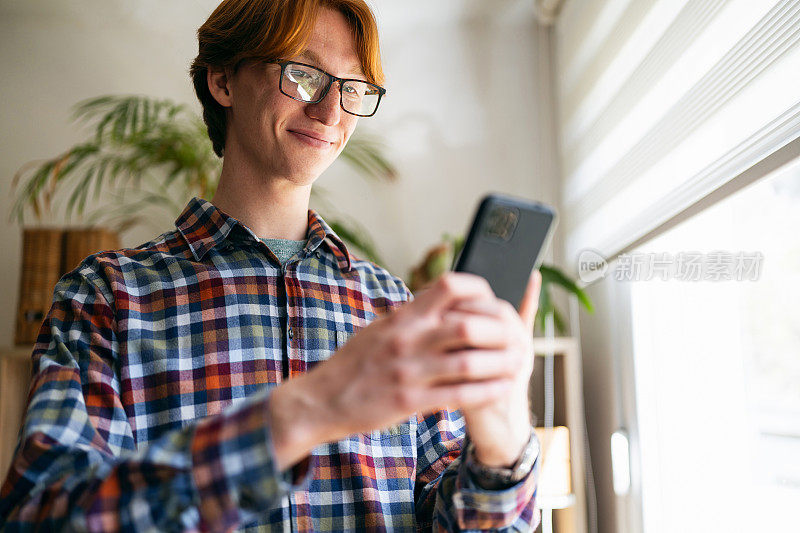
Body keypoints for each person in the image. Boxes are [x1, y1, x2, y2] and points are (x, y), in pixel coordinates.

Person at [0, 0, 542, 530]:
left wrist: (502, 448)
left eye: (352, 88)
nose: (331, 112)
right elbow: (43, 514)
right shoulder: (106, 297)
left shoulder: (395, 308)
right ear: (223, 81)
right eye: (304, 74)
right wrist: (305, 412)